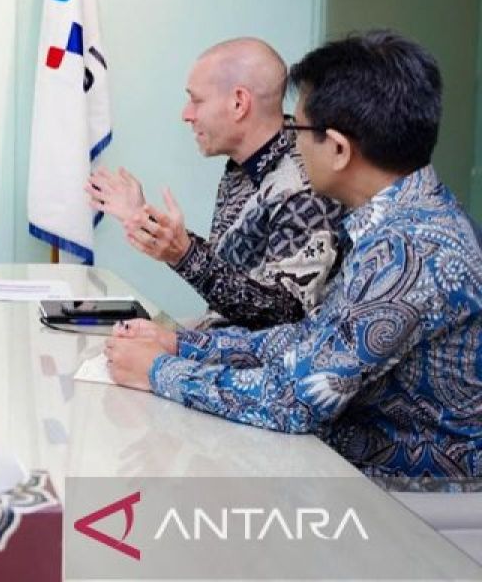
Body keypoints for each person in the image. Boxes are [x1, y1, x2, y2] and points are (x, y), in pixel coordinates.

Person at [106, 31, 482, 478]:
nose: (289, 142)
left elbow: (294, 400)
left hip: (410, 488)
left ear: (338, 149)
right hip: (352, 455)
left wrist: (158, 371)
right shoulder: (394, 220)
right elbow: (310, 339)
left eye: (296, 129)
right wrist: (182, 344)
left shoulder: (409, 252)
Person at [89, 37, 343, 328]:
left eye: (196, 100)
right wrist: (144, 219)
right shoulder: (246, 165)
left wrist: (184, 255)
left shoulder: (304, 183)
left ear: (238, 103)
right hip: (224, 337)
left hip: (261, 351)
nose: (186, 114)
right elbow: (229, 270)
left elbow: (285, 313)